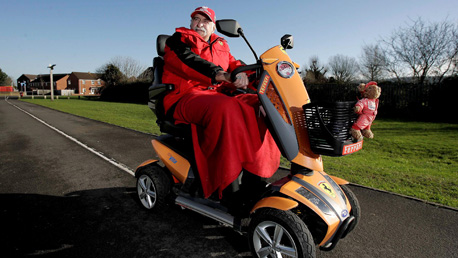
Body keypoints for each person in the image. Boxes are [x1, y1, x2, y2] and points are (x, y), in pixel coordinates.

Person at [162, 6, 280, 199]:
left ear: (213, 27)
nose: (199, 24)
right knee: (227, 108)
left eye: (205, 21)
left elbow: (235, 64)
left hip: (217, 94)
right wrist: (219, 74)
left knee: (261, 105)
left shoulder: (221, 45)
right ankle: (226, 187)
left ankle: (255, 179)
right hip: (185, 96)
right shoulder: (178, 40)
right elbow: (188, 61)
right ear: (191, 23)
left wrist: (249, 74)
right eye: (196, 19)